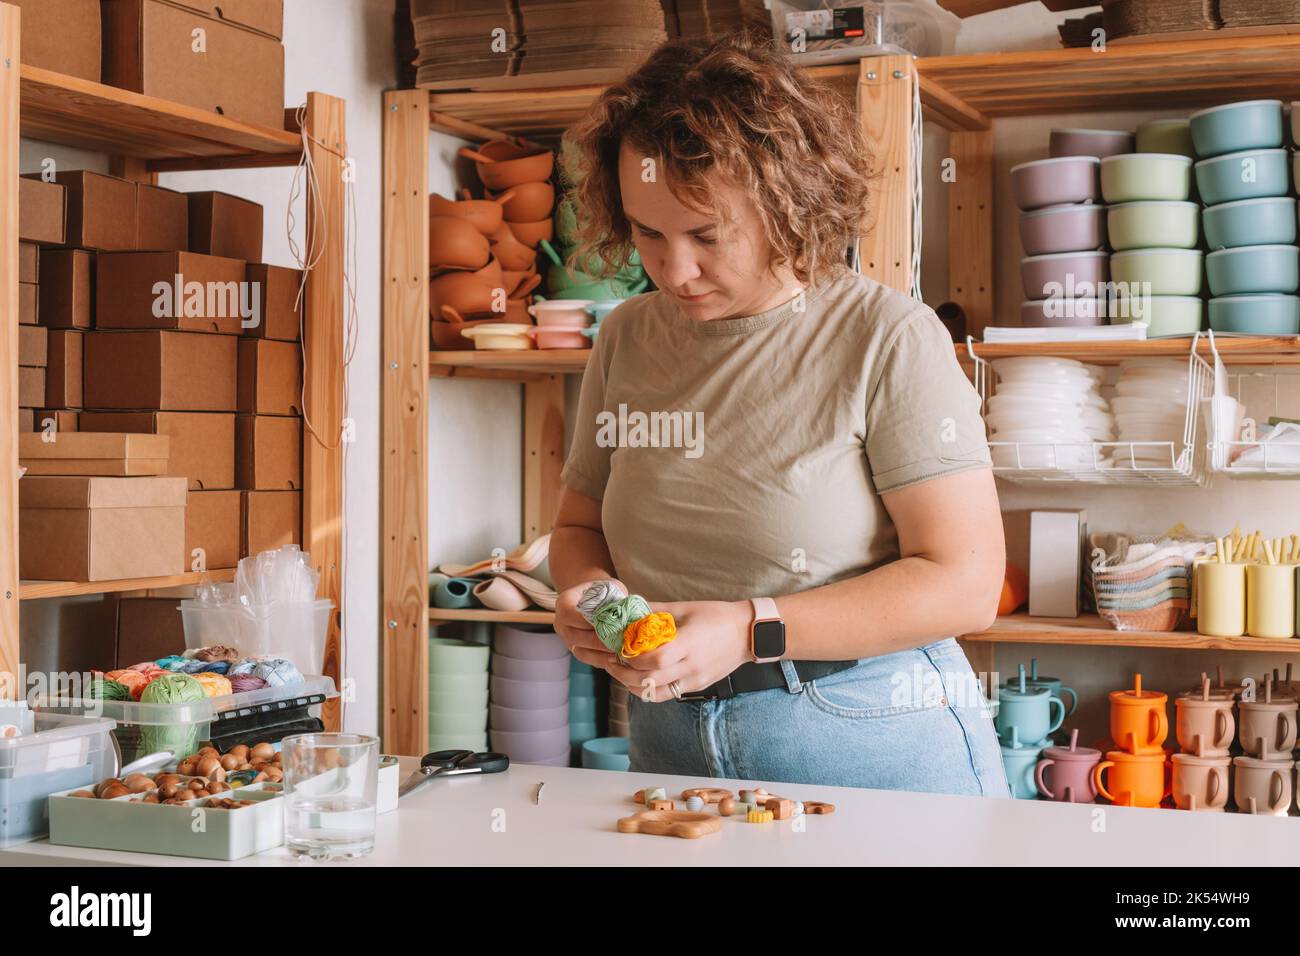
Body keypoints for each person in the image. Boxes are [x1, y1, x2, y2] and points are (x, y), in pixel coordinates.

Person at [549, 34, 1009, 797]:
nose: (675, 269)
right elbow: (578, 530)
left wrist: (750, 626)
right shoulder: (628, 336)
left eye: (706, 235)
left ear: (786, 203)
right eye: (648, 232)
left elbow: (967, 585)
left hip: (868, 737)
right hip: (670, 737)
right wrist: (592, 600)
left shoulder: (886, 336)